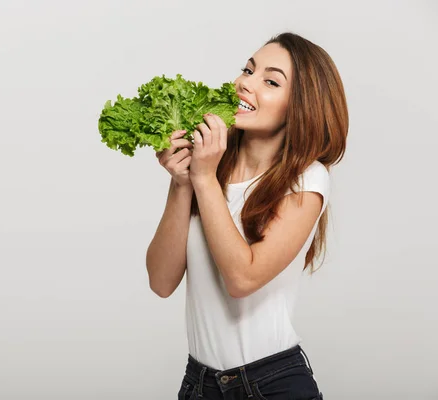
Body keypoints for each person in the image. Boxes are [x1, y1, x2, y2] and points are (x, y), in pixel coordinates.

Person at [147, 32, 348, 400]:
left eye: (270, 81)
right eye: (248, 70)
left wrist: (204, 178)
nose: (244, 83)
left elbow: (242, 279)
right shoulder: (210, 164)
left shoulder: (308, 178)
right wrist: (182, 184)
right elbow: (161, 282)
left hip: (271, 384)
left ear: (302, 106)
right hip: (198, 384)